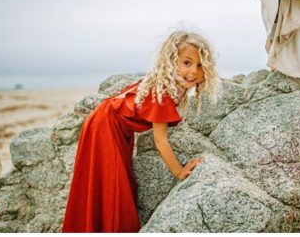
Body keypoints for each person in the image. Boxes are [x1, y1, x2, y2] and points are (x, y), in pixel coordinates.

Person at [61, 30, 219, 232]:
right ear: (171, 62)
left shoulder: (169, 85)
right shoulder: (161, 93)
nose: (194, 71)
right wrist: (179, 171)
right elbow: (160, 141)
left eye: (200, 65)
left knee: (113, 181)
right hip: (105, 126)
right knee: (111, 182)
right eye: (187, 63)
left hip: (112, 124)